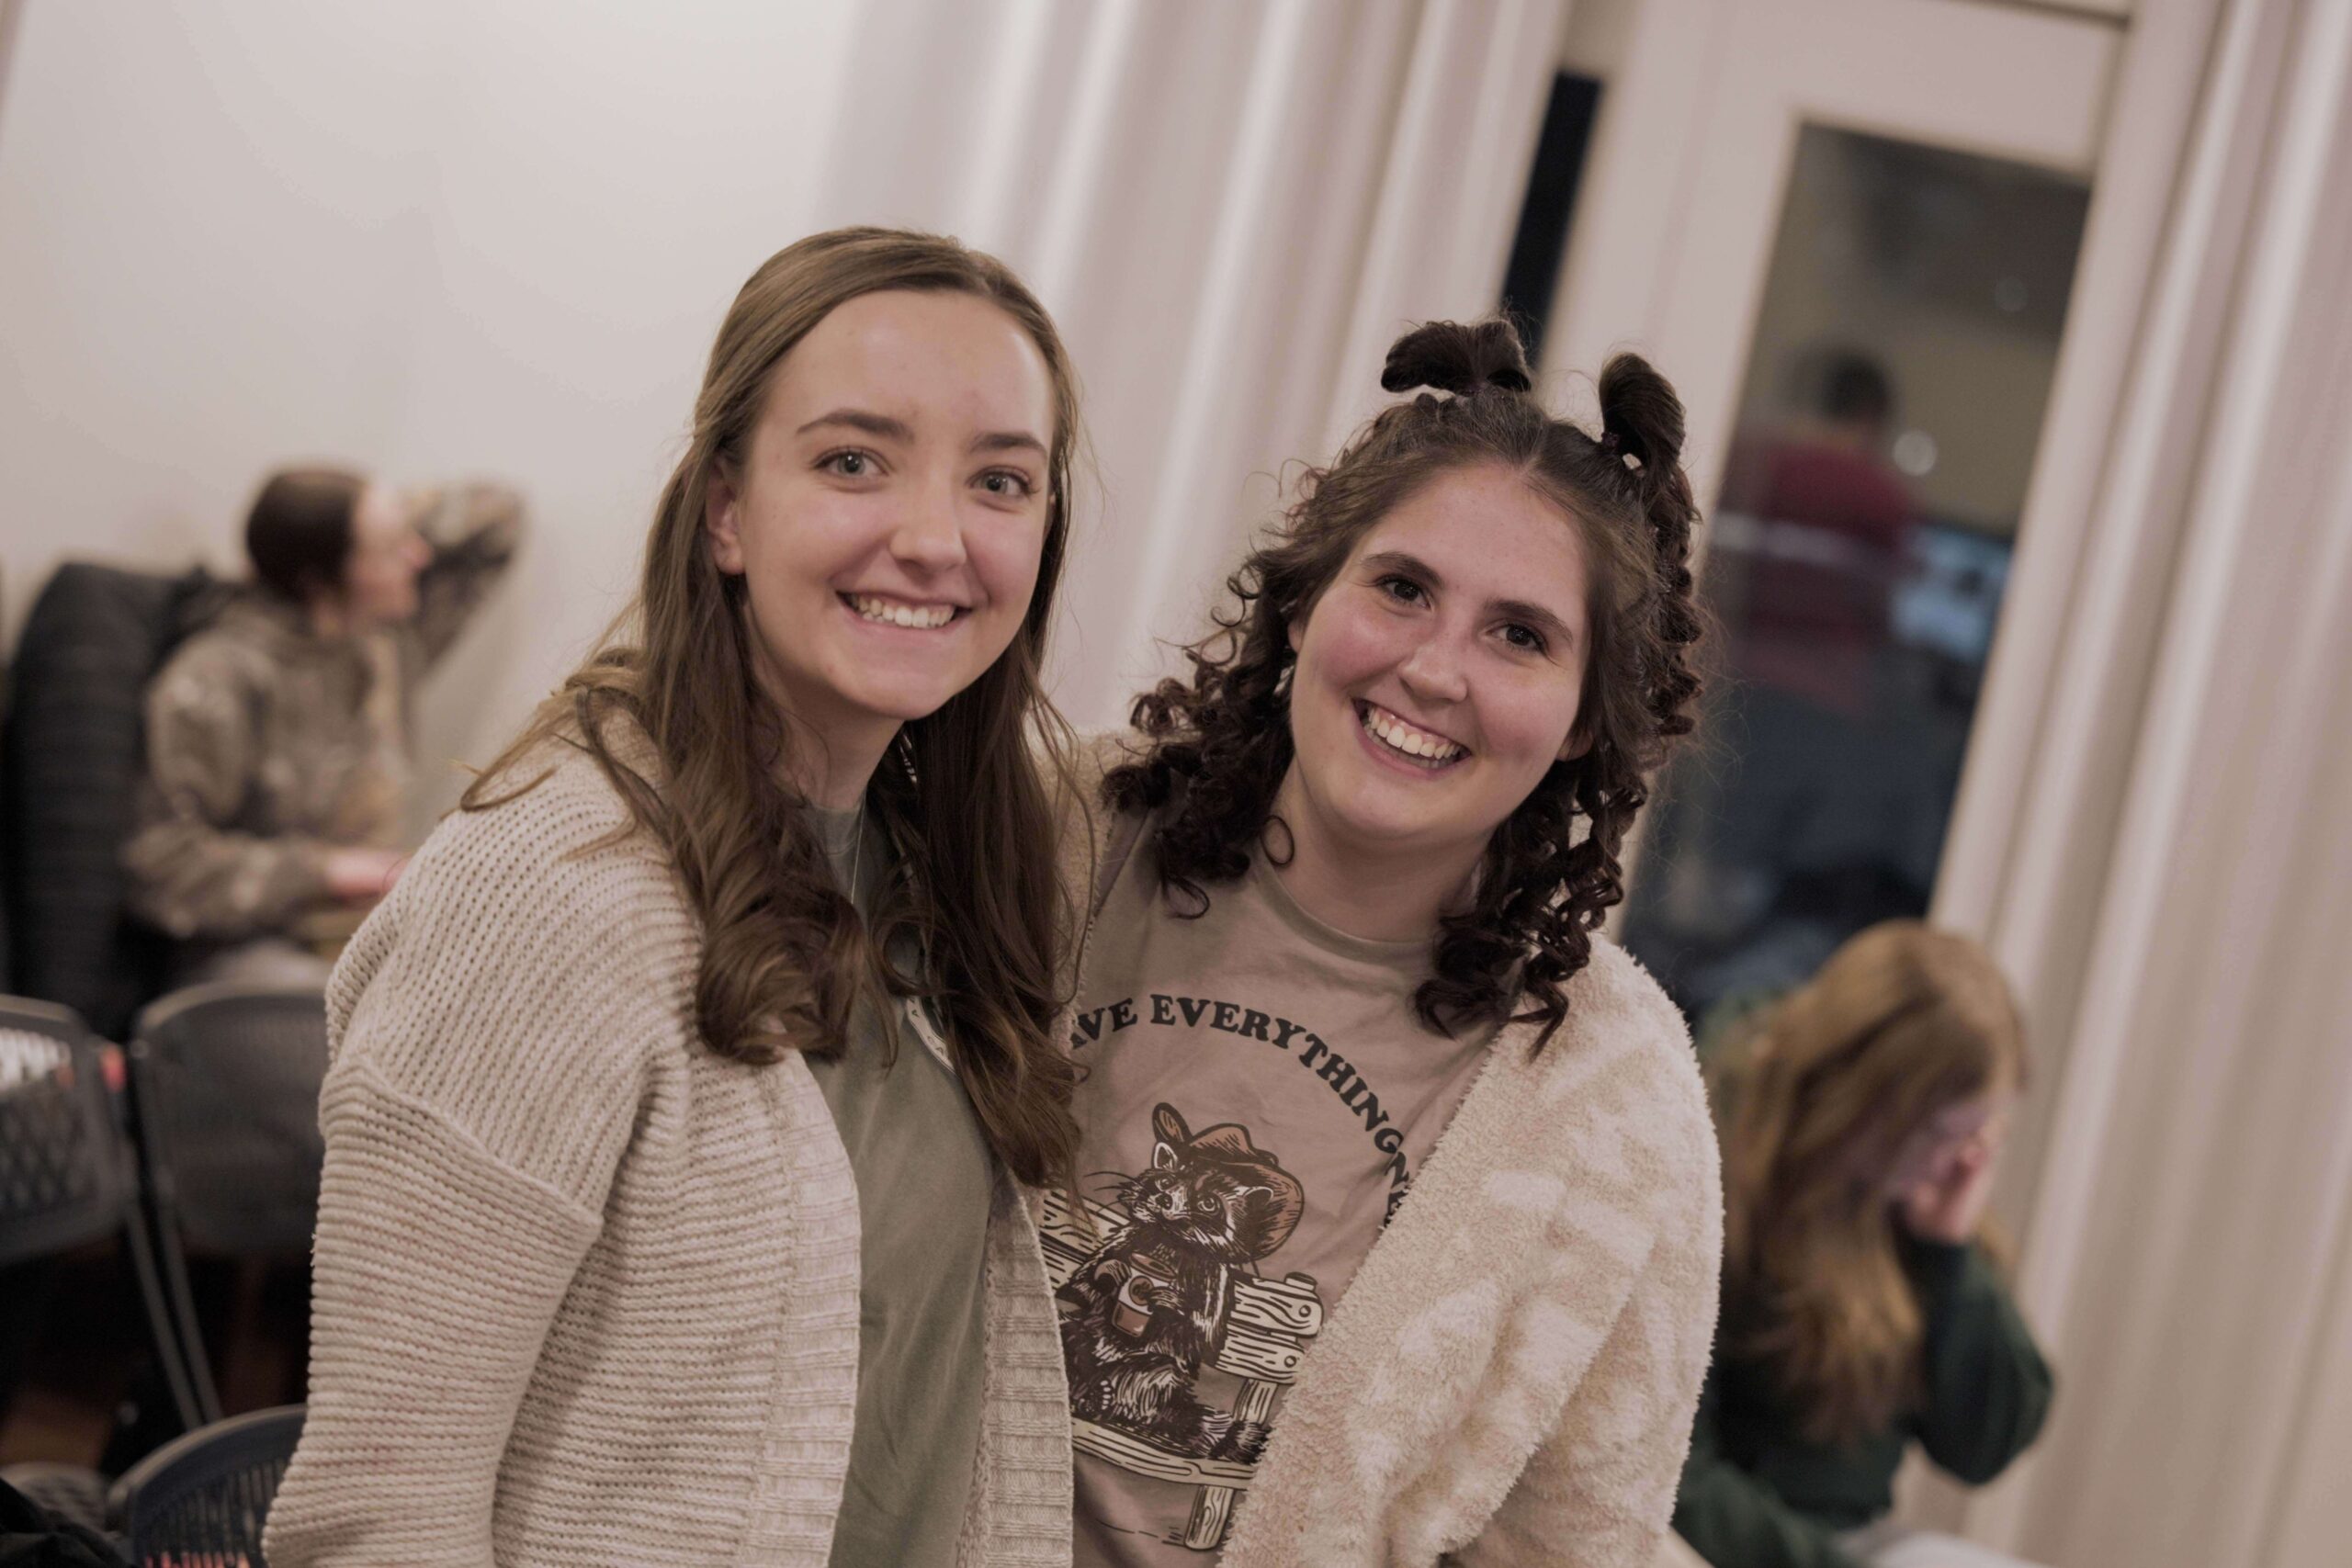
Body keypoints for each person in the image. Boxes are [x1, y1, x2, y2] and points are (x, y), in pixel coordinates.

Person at [263, 228, 1091, 1567]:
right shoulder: (545, 890)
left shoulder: (952, 864)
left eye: (1002, 479)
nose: (936, 537)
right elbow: (377, 1516)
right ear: (724, 509)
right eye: (853, 460)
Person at [1047, 319, 1722, 1565]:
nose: (1433, 667)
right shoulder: (1047, 843)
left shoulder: (1616, 1101)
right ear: (1304, 604)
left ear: (1583, 721)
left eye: (1520, 634)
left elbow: (1573, 1539)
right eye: (1403, 587)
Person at [1673, 921, 2054, 1568]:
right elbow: (1679, 1473)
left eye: (1980, 1136)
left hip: (1850, 1544)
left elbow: (1983, 1445)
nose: (1958, 1164)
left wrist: (1949, 1253)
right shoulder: (1713, 1166)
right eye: (1940, 1132)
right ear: (1863, 1101)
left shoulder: (1906, 1201)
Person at [122, 466, 526, 985]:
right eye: (390, 548)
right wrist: (326, 871)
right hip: (253, 952)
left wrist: (375, 511)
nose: (419, 555)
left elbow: (498, 515)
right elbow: (159, 866)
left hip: (361, 927)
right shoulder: (220, 676)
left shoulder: (387, 643)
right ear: (322, 583)